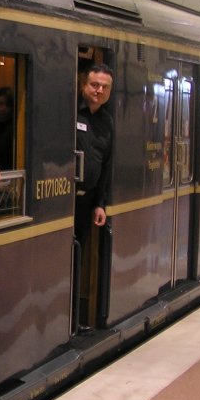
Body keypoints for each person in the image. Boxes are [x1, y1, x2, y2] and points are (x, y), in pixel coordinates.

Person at [74, 63, 114, 331]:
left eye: (104, 87)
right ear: (83, 85)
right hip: (64, 199)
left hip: (87, 201)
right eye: (94, 85)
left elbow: (107, 165)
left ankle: (76, 318)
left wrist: (101, 204)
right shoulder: (70, 111)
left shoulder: (107, 122)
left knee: (78, 257)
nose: (98, 90)